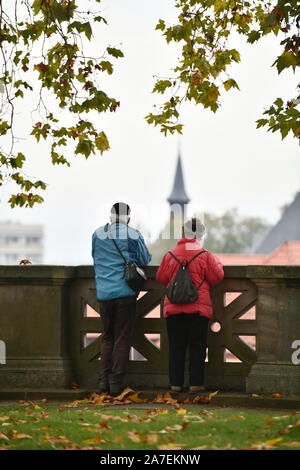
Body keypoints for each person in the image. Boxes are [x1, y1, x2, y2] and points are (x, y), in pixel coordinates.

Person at [156, 217, 224, 393]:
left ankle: (175, 385)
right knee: (197, 346)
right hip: (198, 308)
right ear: (200, 234)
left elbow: (161, 278)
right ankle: (195, 384)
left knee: (176, 347)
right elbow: (217, 277)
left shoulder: (169, 255)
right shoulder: (205, 255)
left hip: (173, 308)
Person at [92, 202, 152, 396]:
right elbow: (145, 259)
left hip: (103, 293)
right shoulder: (133, 234)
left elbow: (95, 257)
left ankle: (102, 381)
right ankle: (116, 383)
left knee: (107, 337)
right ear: (128, 218)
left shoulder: (97, 234)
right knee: (122, 337)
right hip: (125, 292)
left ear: (110, 217)